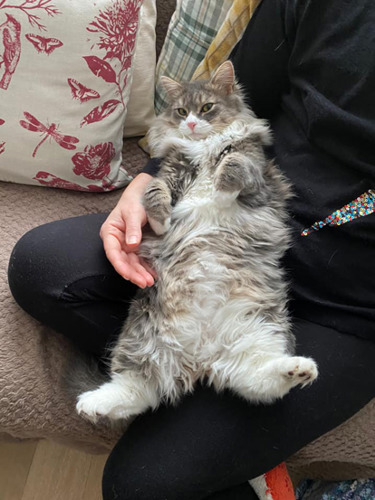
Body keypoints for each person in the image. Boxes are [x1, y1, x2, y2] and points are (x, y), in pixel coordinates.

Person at [8, 0, 375, 498]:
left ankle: (203, 387)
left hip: (349, 304)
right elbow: (247, 94)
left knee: (140, 485)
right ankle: (196, 380)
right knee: (40, 266)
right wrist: (146, 182)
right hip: (231, 225)